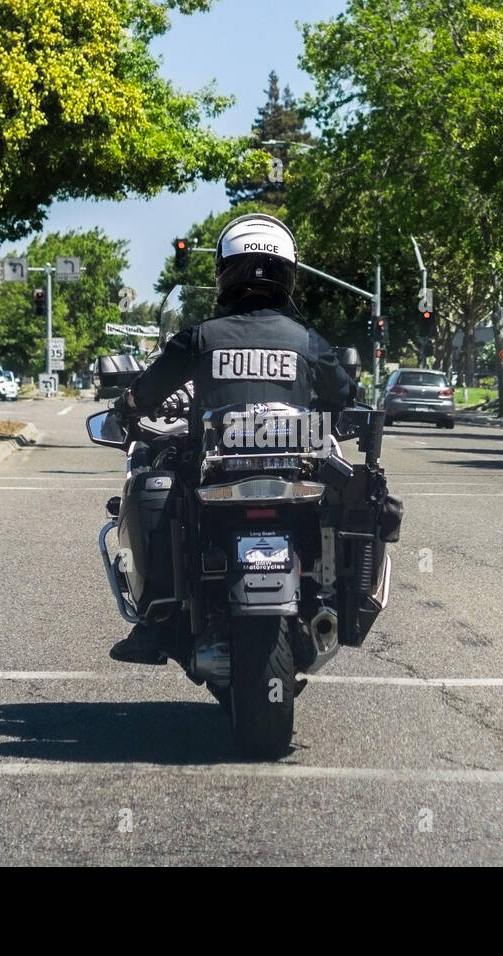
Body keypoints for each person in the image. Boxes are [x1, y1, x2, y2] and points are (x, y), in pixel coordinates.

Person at [108, 213, 357, 664]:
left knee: (158, 483)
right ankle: (326, 598)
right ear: (288, 275)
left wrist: (125, 408)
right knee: (339, 488)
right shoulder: (306, 340)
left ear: (225, 271)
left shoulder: (200, 337)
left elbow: (147, 391)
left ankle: (156, 619)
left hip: (215, 475)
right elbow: (344, 393)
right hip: (293, 478)